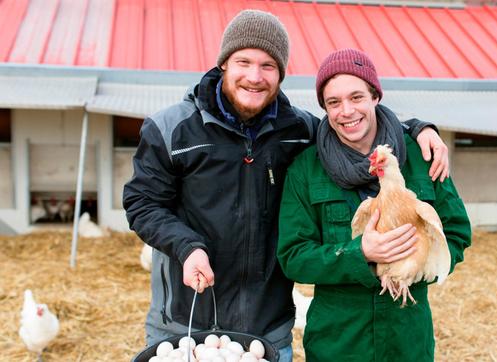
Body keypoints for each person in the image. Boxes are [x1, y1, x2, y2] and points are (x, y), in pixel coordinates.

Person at [123, 10, 450, 361]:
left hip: (266, 329)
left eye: (268, 66)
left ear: (280, 74)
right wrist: (188, 248)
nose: (254, 76)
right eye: (243, 62)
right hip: (184, 320)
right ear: (223, 65)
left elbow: (355, 123)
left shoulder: (299, 132)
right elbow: (142, 203)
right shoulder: (172, 129)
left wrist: (417, 129)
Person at [276, 48, 472, 361]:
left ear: (375, 97)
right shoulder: (305, 169)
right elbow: (293, 256)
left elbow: (457, 232)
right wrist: (360, 254)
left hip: (406, 336)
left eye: (356, 97)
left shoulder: (422, 157)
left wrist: (415, 268)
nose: (346, 111)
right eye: (334, 102)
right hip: (339, 341)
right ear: (325, 109)